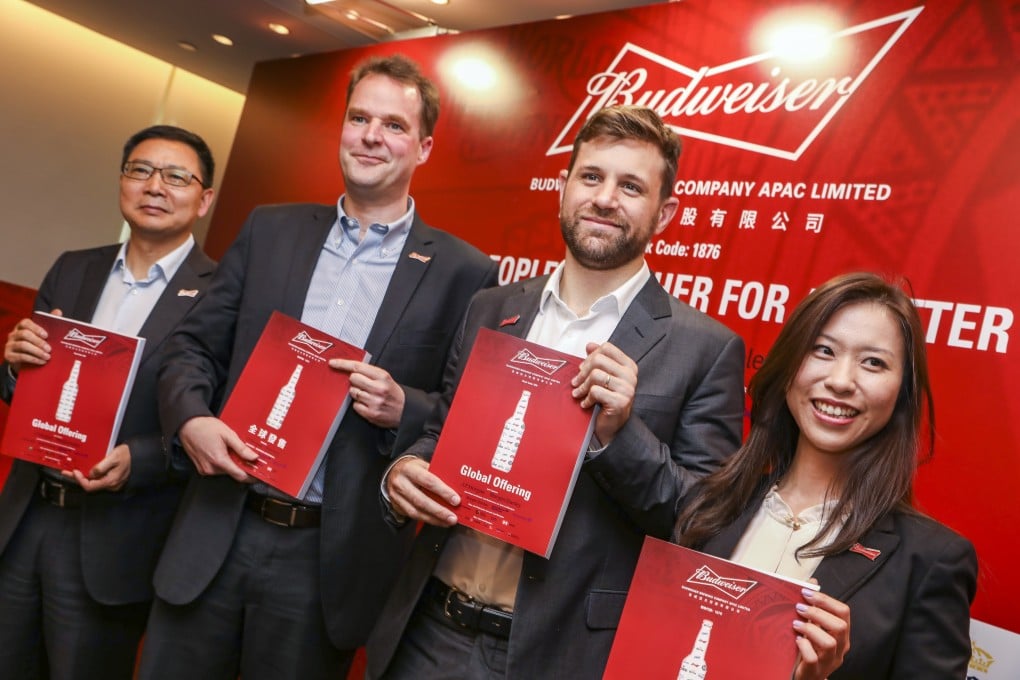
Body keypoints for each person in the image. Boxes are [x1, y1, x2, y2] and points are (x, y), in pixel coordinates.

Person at [136, 54, 498, 680]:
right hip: (218, 526)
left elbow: (465, 416)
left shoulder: (463, 273)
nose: (370, 136)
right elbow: (190, 348)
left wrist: (402, 406)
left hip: (326, 558)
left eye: (392, 125)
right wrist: (191, 419)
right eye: (359, 117)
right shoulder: (270, 229)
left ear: (425, 147)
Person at [366, 105, 746, 679]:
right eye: (591, 177)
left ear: (664, 213)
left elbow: (701, 524)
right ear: (563, 187)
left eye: (631, 186)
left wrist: (620, 437)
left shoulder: (704, 348)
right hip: (429, 628)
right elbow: (439, 431)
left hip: (557, 654)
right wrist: (402, 474)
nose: (604, 198)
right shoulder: (493, 308)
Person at [672, 272, 978, 679]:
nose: (840, 381)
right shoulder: (710, 504)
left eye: (873, 362)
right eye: (823, 350)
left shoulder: (931, 560)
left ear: (901, 391)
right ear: (788, 366)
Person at [0, 125, 218, 680]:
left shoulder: (221, 294)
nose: (155, 186)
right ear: (122, 182)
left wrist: (140, 460)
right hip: (28, 517)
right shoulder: (74, 268)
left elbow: (217, 419)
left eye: (176, 176)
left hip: (119, 537)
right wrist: (13, 363)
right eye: (140, 170)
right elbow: (21, 391)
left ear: (204, 198)